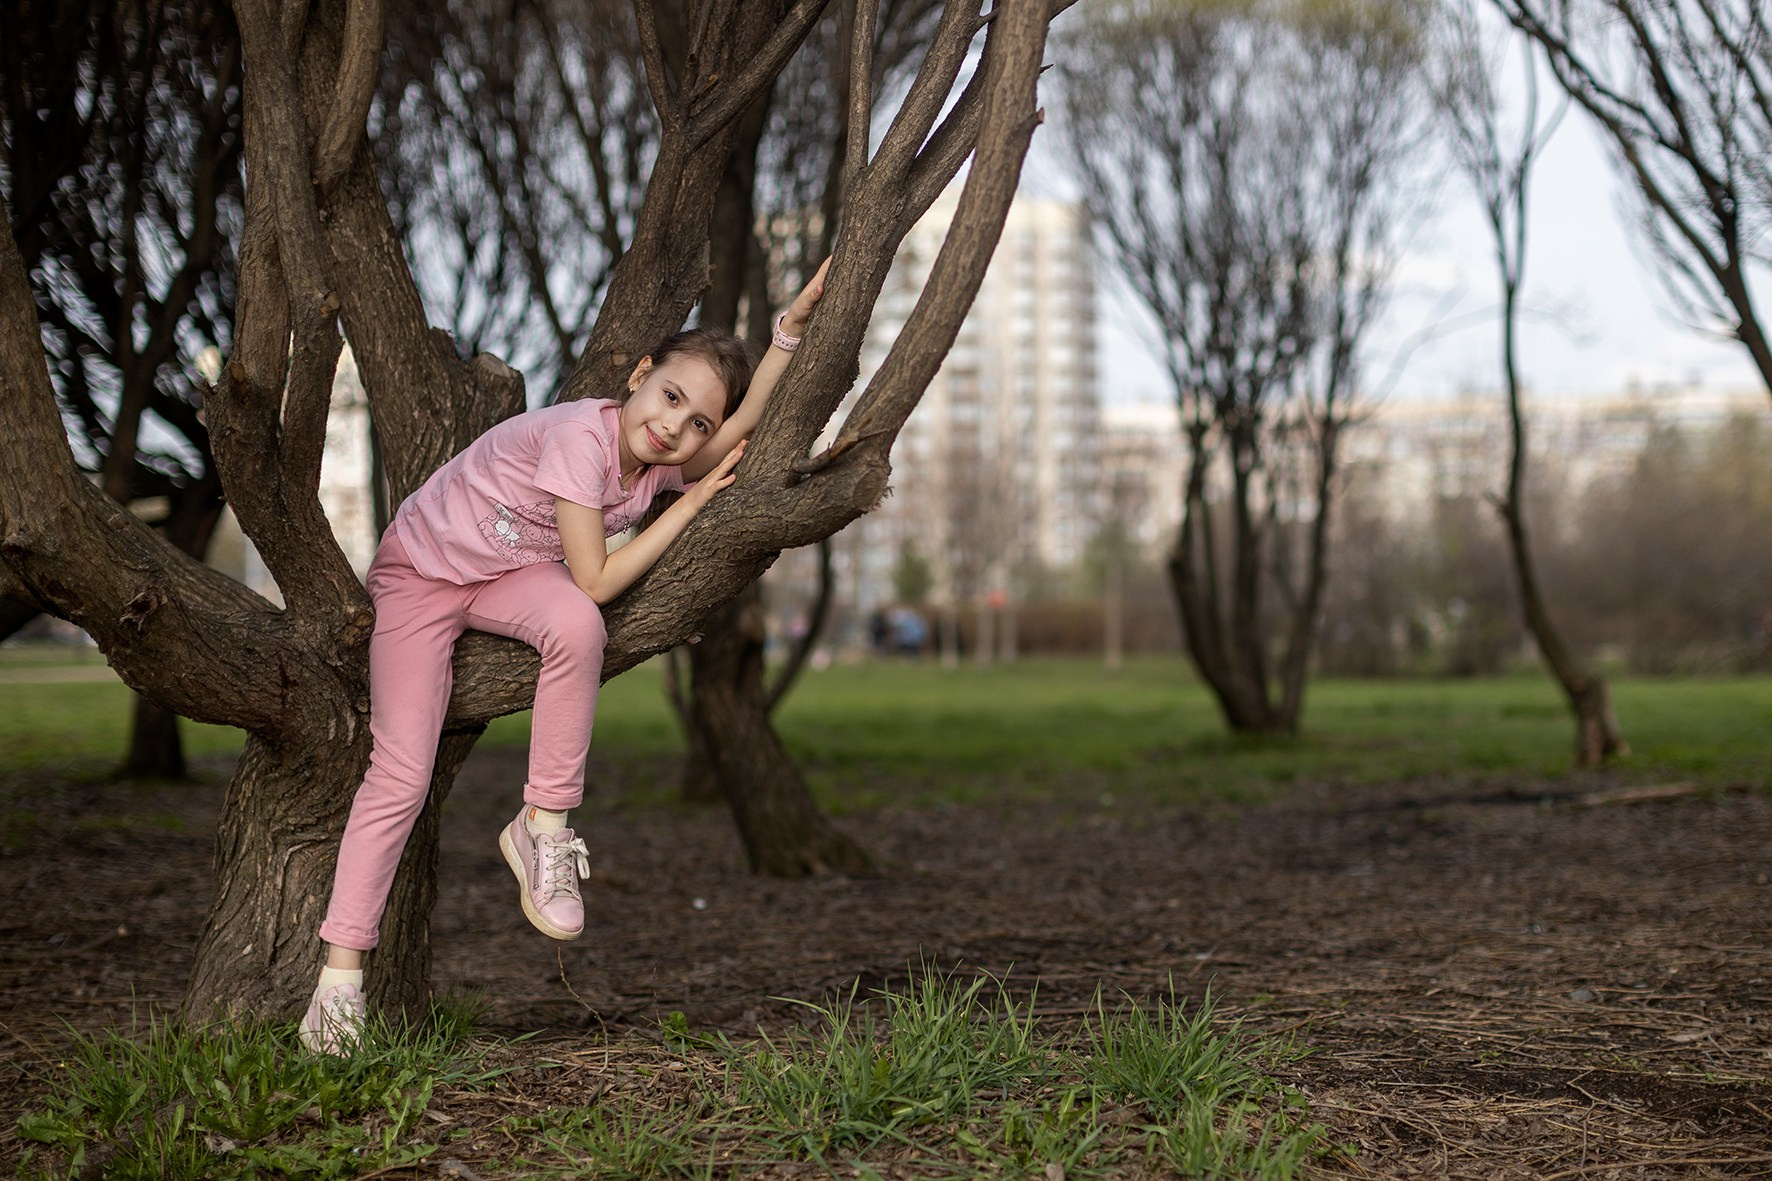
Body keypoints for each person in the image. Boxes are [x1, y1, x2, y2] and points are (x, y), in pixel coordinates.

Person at [300, 263, 829, 1053]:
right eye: (670, 397)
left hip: (508, 576)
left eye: (695, 424)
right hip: (422, 576)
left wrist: (788, 335)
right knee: (402, 773)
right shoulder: (583, 437)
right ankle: (338, 981)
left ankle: (542, 823)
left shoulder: (655, 457)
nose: (676, 429)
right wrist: (690, 503)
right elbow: (598, 576)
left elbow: (744, 422)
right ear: (639, 376)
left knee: (578, 628)